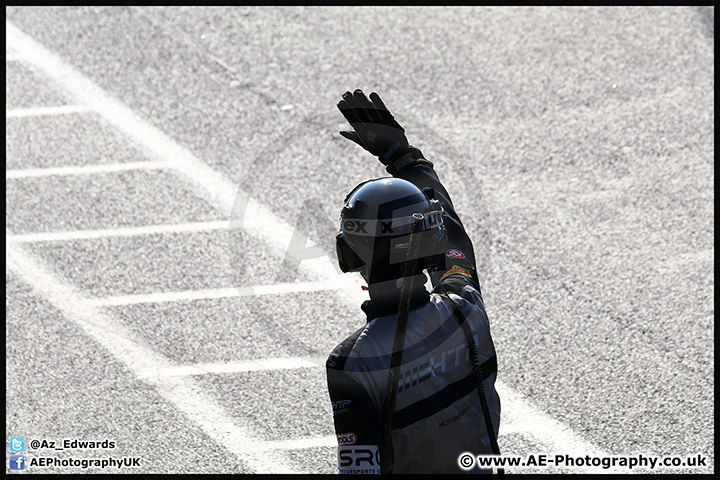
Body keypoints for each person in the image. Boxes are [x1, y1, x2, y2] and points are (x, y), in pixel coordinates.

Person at [326, 89, 501, 474]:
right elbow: (454, 237)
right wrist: (403, 156)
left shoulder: (351, 363)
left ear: (350, 256)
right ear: (431, 245)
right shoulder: (465, 306)